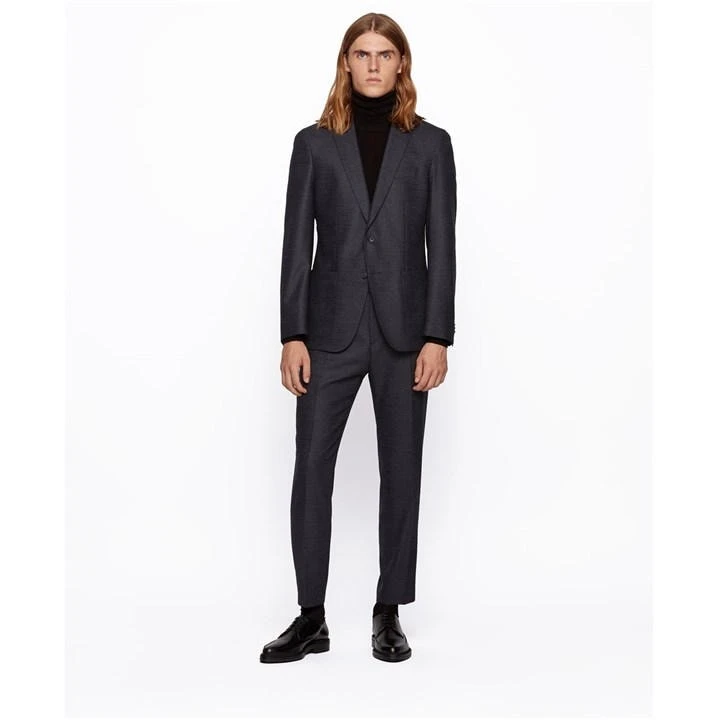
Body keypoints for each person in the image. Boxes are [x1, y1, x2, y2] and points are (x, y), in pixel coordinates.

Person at [260, 12, 456, 664]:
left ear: (402, 64)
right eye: (362, 53)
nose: (373, 65)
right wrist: (293, 334)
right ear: (346, 63)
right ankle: (310, 616)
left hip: (405, 335)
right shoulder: (314, 145)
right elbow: (296, 246)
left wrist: (437, 335)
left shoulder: (431, 146)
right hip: (329, 332)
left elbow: (442, 246)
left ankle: (388, 609)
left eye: (385, 54)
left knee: (401, 472)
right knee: (311, 469)